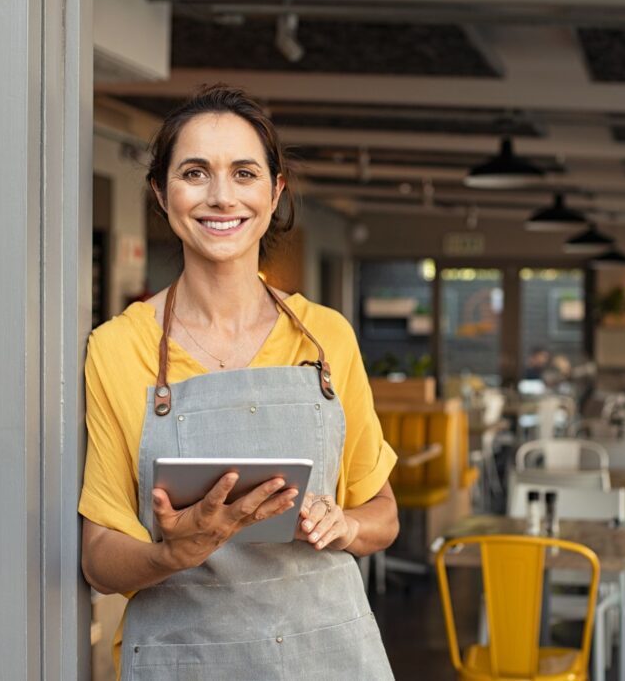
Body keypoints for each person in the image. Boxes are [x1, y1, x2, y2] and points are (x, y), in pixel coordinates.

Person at [78, 85, 398, 679]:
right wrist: (173, 551)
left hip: (326, 654)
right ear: (160, 192)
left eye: (244, 173)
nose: (221, 197)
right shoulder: (118, 348)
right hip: (185, 659)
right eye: (195, 172)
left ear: (274, 192)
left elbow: (381, 510)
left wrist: (347, 525)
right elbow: (99, 558)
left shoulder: (326, 338)